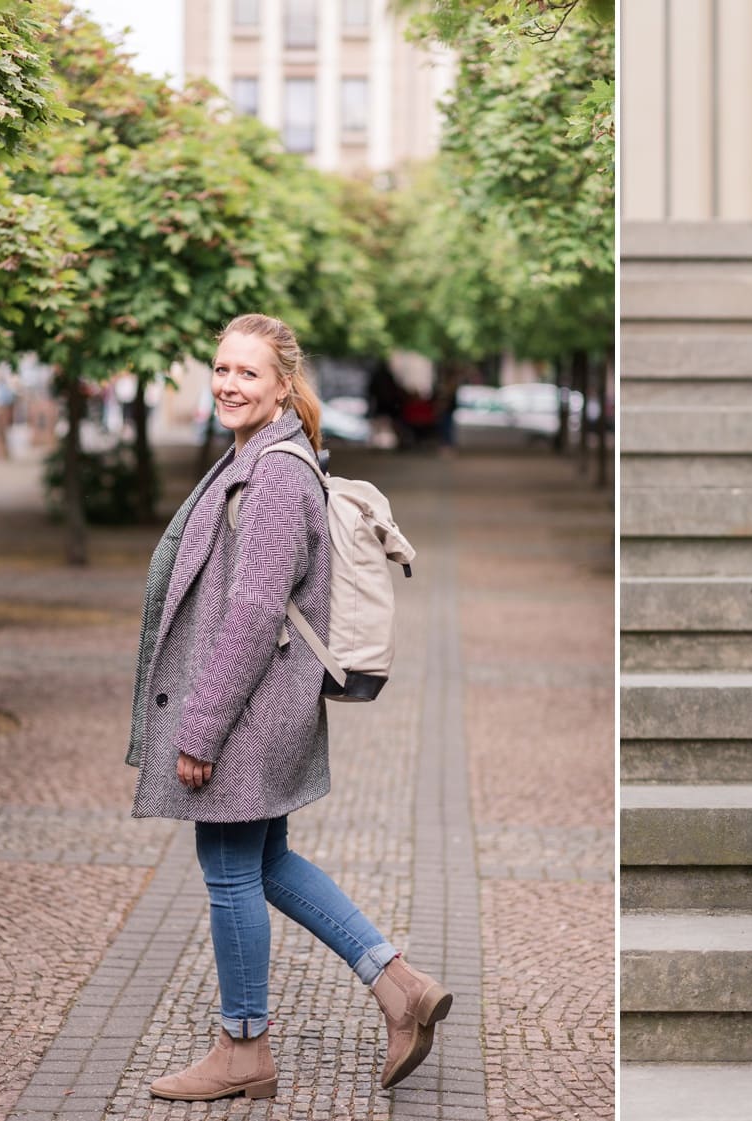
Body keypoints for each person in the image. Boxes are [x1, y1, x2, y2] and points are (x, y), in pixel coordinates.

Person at [125, 313, 452, 1101]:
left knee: (230, 873)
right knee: (264, 862)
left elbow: (254, 611)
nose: (230, 383)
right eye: (221, 368)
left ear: (281, 384)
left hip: (247, 711)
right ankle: (398, 984)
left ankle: (243, 1046)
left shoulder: (275, 473)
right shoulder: (258, 454)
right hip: (263, 703)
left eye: (248, 372)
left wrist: (201, 728)